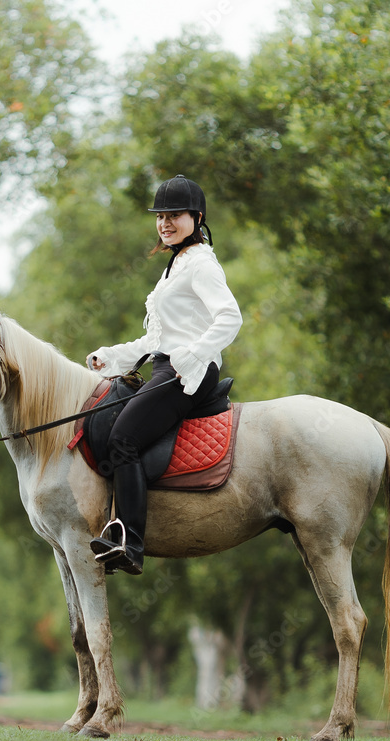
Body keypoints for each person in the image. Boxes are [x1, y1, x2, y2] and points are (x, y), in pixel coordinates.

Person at [86, 173, 242, 575]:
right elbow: (158, 337)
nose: (165, 223)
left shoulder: (201, 264)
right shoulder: (176, 266)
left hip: (187, 372)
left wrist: (195, 354)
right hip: (167, 365)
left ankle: (130, 542)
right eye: (160, 216)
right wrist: (115, 356)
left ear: (198, 217)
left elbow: (230, 317)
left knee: (123, 437)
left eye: (175, 215)